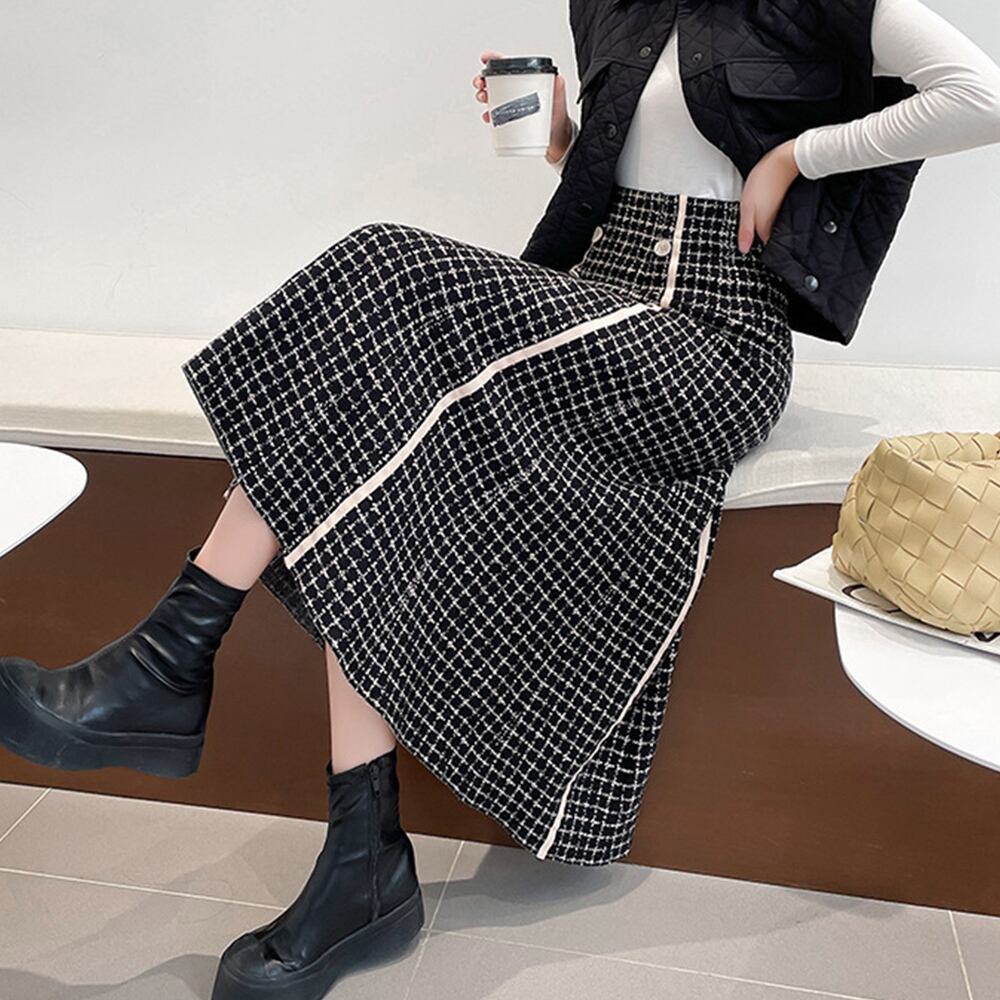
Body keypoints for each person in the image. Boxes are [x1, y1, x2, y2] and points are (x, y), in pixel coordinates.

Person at [2, 1, 1000, 997]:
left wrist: (798, 157)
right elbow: (624, 171)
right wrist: (560, 132)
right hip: (599, 305)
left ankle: (168, 662)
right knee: (373, 437)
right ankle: (361, 859)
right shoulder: (614, 7)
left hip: (708, 337)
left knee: (387, 267)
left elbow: (980, 95)